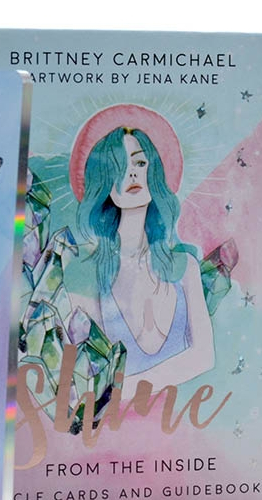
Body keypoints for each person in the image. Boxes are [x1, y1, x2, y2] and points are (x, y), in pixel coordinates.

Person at [68, 105, 214, 390]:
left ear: (154, 170)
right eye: (118, 167)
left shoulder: (185, 267)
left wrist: (126, 389)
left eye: (139, 163)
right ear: (103, 183)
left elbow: (205, 356)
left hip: (186, 413)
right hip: (117, 418)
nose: (132, 175)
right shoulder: (87, 274)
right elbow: (92, 375)